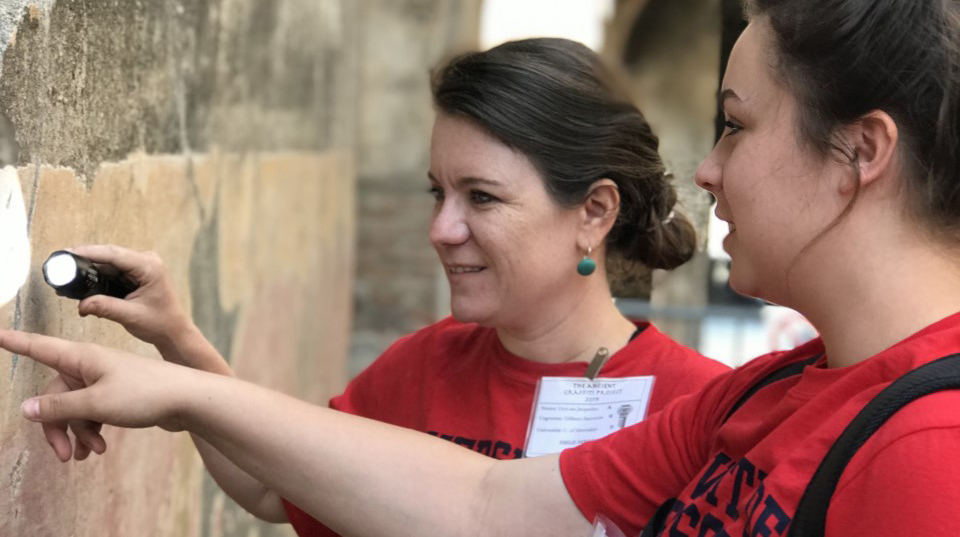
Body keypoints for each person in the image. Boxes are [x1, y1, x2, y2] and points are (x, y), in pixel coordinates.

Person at [5, 0, 960, 534]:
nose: (707, 166)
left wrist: (179, 383)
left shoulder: (922, 453)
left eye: (737, 124)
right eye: (435, 193)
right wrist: (177, 358)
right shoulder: (769, 394)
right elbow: (477, 503)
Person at [30, 38, 728, 536]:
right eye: (437, 192)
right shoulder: (426, 363)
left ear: (594, 213)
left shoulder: (703, 410)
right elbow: (278, 486)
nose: (442, 228)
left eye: (481, 197)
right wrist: (174, 338)